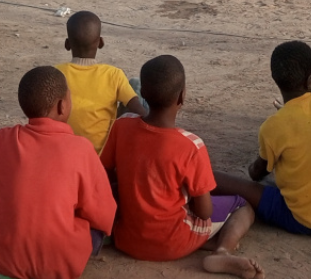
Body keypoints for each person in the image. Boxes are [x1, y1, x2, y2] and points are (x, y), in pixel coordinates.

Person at [0, 67, 116, 279]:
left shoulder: (4, 141)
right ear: (62, 106)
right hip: (61, 265)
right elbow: (103, 214)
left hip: (3, 262)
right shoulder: (82, 149)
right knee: (90, 215)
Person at [100, 55, 263, 278]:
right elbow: (203, 212)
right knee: (243, 206)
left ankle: (208, 242)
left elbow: (105, 175)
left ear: (143, 94)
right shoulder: (191, 146)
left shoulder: (121, 126)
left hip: (127, 240)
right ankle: (222, 250)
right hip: (172, 243)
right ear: (182, 96)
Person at [213, 41, 311, 238]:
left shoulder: (274, 126)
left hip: (305, 220)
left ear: (275, 78)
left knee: (220, 180)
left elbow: (256, 173)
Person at [54, 11, 147, 153]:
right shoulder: (113, 74)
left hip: (66, 154)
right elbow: (138, 109)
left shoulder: (56, 74)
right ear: (101, 43)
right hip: (103, 158)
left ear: (67, 44)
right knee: (137, 85)